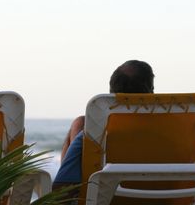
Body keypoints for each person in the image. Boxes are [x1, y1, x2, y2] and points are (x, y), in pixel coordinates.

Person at [53, 60, 154, 188]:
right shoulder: (175, 127)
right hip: (169, 201)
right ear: (151, 91)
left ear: (112, 92)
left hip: (103, 203)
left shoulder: (95, 132)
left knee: (80, 123)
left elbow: (61, 188)